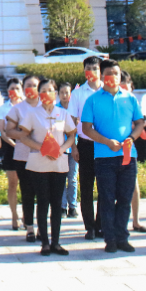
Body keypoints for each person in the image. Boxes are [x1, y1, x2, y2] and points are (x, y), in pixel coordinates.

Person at [80, 59, 146, 254]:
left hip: (128, 156)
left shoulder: (130, 98)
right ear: (102, 76)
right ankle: (110, 239)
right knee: (107, 199)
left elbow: (140, 123)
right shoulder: (92, 100)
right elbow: (86, 128)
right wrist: (107, 142)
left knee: (125, 199)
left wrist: (131, 138)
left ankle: (122, 237)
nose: (112, 77)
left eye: (115, 74)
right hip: (104, 157)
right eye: (108, 74)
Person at [16, 78, 77, 255]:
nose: (47, 93)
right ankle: (44, 242)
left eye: (50, 90)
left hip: (58, 163)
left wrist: (61, 149)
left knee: (56, 203)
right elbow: (23, 136)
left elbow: (71, 135)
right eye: (43, 90)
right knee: (42, 202)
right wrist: (41, 148)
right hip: (38, 163)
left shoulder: (62, 113)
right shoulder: (32, 113)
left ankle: (56, 242)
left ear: (55, 93)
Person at [68, 56, 103, 240]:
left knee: (105, 186)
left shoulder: (107, 91)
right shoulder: (78, 93)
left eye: (95, 68)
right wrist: (73, 147)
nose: (91, 72)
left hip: (104, 145)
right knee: (87, 187)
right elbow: (70, 123)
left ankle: (101, 225)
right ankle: (90, 227)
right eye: (88, 69)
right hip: (85, 144)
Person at [4, 72, 41, 243]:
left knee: (43, 193)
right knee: (27, 192)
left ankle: (42, 227)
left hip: (43, 156)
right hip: (23, 156)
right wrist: (24, 133)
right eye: (28, 86)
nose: (31, 88)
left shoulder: (47, 106)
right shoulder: (17, 108)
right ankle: (30, 228)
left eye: (34, 85)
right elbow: (9, 131)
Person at [120, 71, 146, 234]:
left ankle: (136, 221)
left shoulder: (133, 101)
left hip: (129, 147)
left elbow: (140, 124)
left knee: (133, 185)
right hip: (112, 148)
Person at [0, 78, 24, 230]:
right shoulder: (3, 108)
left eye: (17, 88)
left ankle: (27, 215)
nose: (14, 91)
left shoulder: (27, 106)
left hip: (27, 146)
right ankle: (14, 216)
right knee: (13, 183)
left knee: (27, 184)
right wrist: (13, 144)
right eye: (12, 88)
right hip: (10, 147)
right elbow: (1, 130)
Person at [58, 82, 79, 218]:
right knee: (61, 178)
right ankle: (62, 207)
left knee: (72, 178)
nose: (65, 95)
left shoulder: (75, 109)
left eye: (67, 92)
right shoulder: (56, 110)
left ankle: (73, 206)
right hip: (60, 147)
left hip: (74, 147)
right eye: (62, 93)